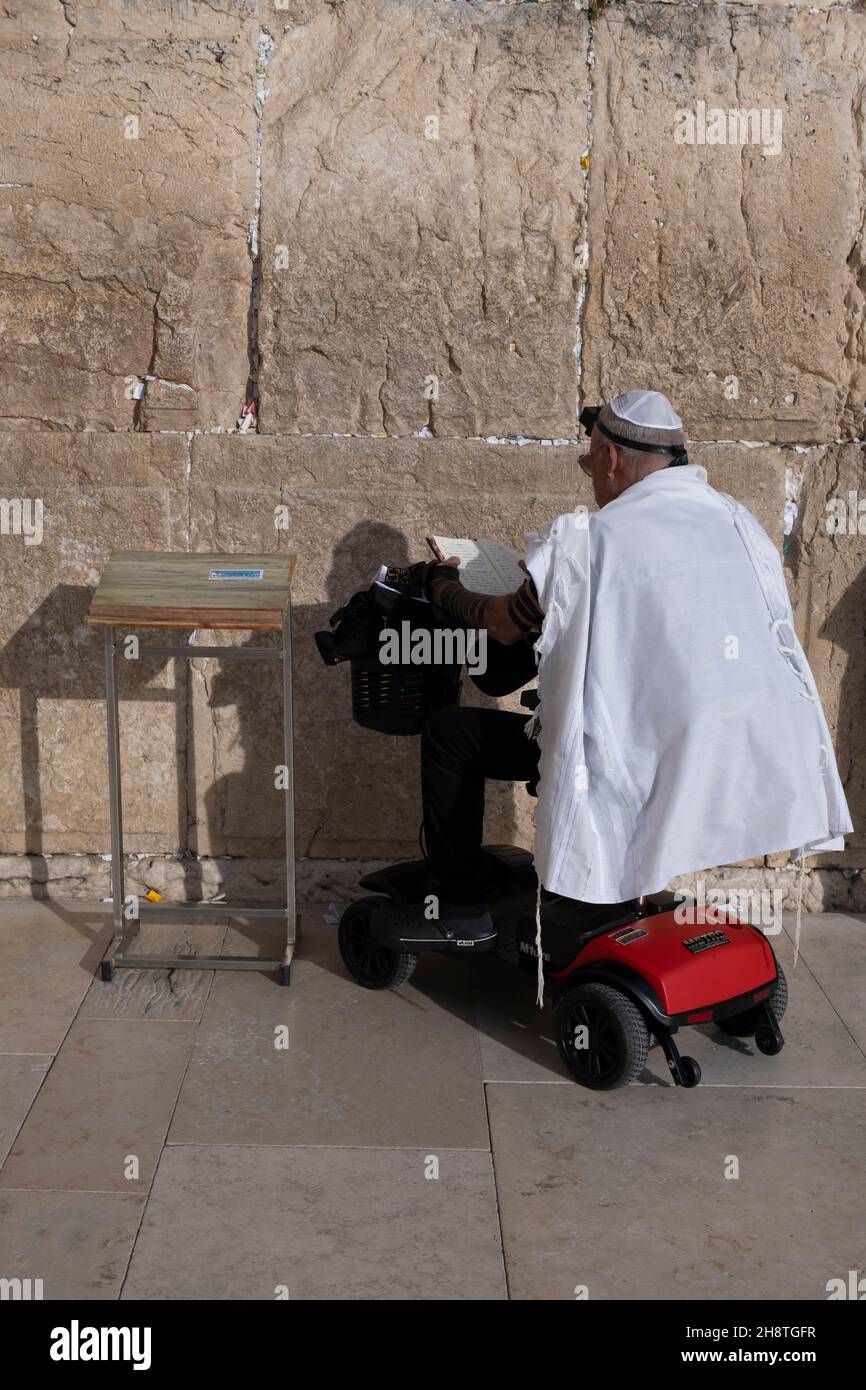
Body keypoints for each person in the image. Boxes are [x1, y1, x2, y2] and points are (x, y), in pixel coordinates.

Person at [398, 389, 853, 946]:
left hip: (640, 760)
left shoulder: (595, 541)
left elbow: (501, 625)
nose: (591, 476)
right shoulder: (738, 522)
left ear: (611, 457)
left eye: (590, 461)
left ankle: (461, 911)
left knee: (450, 734)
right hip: (742, 748)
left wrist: (443, 586)